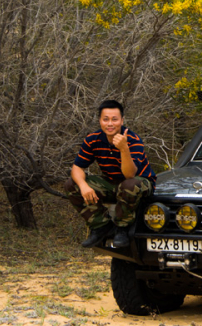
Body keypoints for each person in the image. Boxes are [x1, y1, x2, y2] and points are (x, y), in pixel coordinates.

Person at [63, 100, 156, 249]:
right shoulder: (93, 139)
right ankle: (101, 226)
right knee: (71, 184)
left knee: (129, 185)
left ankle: (122, 228)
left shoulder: (133, 140)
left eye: (114, 119)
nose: (110, 124)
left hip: (140, 184)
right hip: (112, 183)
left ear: (122, 120)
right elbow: (77, 167)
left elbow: (130, 174)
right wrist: (83, 186)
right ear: (100, 120)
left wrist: (124, 149)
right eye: (106, 119)